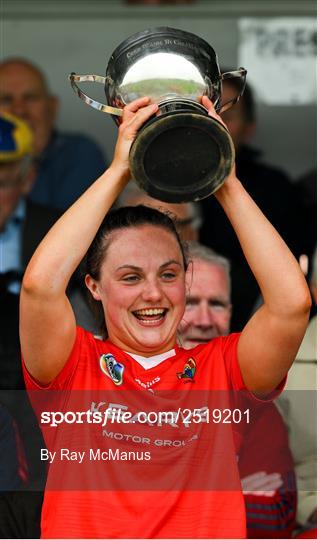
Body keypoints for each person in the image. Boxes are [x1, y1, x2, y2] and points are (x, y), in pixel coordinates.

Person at [20, 95, 311, 539]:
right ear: (94, 287)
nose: (153, 292)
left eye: (169, 273)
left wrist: (224, 179)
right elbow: (40, 287)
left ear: (187, 280)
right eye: (130, 276)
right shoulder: (71, 367)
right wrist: (119, 170)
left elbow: (291, 304)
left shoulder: (223, 371)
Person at [179, 241, 297, 538]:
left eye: (216, 304)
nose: (205, 321)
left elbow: (274, 520)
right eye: (190, 303)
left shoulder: (256, 406)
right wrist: (231, 494)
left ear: (231, 312)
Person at [199, 77, 307, 331]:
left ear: (249, 128)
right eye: (203, 110)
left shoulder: (274, 188)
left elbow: (289, 283)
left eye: (227, 114)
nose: (214, 122)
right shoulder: (157, 182)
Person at [0, 58, 107, 211]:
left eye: (30, 98)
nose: (19, 110)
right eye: (5, 99)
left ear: (52, 107)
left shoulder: (79, 153)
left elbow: (74, 224)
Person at [117, 181, 202, 241]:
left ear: (192, 233)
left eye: (168, 224)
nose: (155, 234)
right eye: (138, 223)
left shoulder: (209, 265)